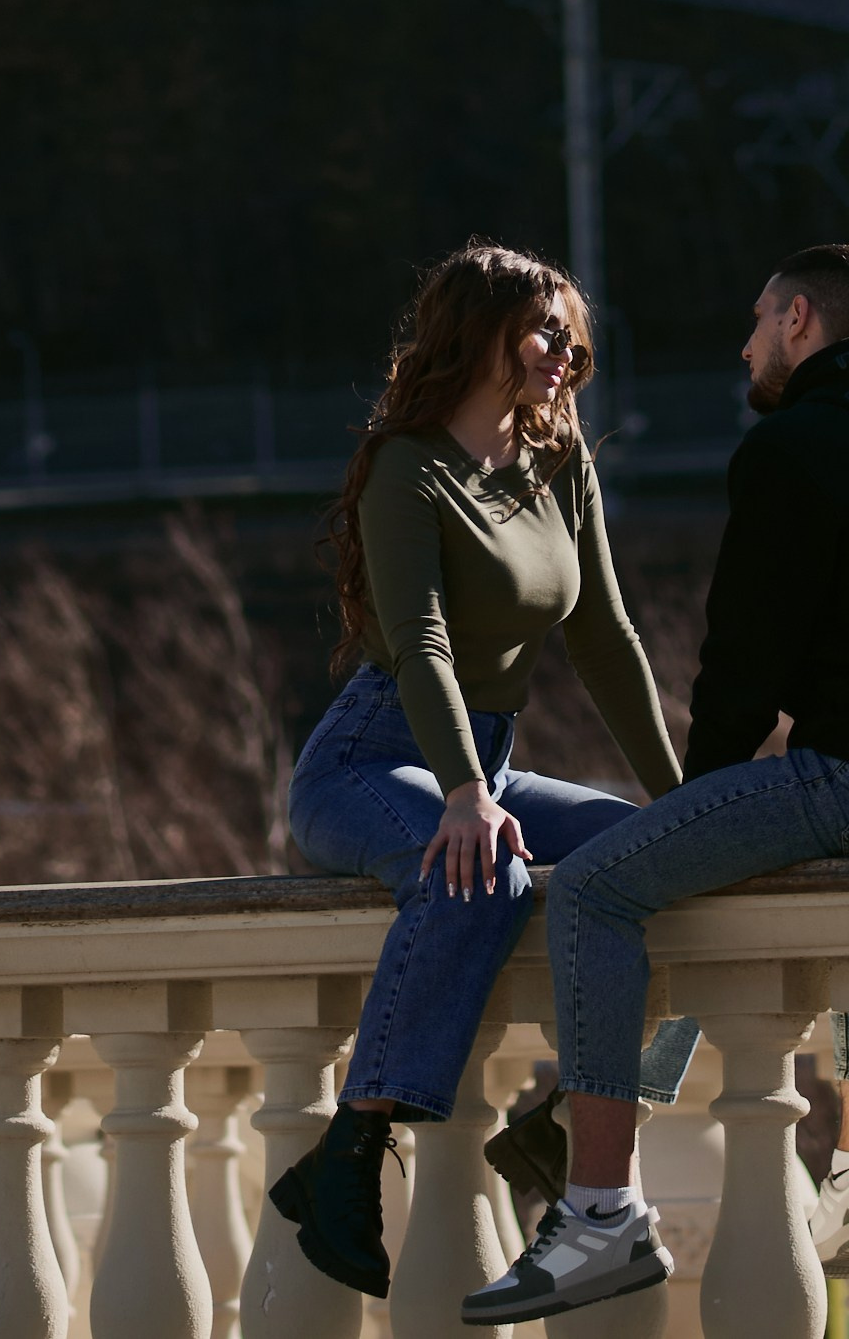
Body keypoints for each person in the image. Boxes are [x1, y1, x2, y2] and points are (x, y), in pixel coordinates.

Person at [464, 240, 849, 1325]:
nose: (739, 344)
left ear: (796, 323)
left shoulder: (794, 444)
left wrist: (694, 798)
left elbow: (743, 659)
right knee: (729, 873)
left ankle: (597, 1210)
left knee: (601, 884)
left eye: (753, 320)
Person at [271, 242, 689, 1305]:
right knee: (481, 874)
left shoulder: (556, 460)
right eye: (544, 328)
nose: (568, 350)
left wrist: (684, 796)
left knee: (673, 862)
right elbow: (418, 642)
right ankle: (349, 1154)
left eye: (571, 331)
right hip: (373, 757)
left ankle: (561, 1121)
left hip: (479, 762)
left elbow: (605, 637)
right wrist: (462, 789)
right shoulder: (405, 463)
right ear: (480, 329)